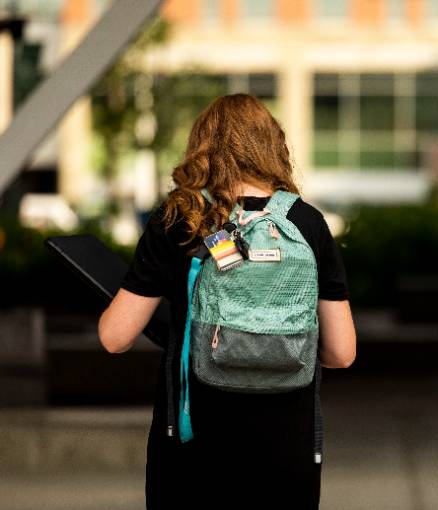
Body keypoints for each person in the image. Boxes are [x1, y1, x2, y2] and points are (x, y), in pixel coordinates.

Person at [97, 93, 356, 509]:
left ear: (202, 146)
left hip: (194, 451)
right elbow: (342, 353)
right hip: (286, 452)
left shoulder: (182, 219)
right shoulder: (306, 223)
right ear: (273, 145)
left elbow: (115, 337)